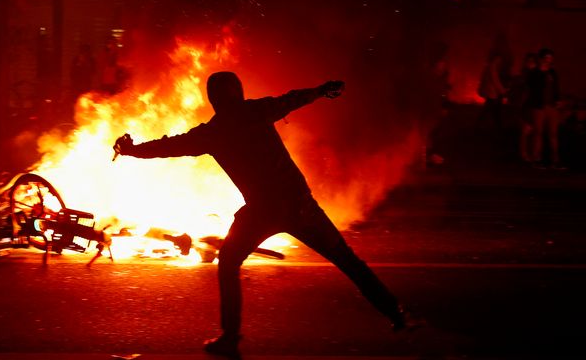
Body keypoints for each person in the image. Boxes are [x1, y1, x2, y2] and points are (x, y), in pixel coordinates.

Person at [113, 71, 420, 357]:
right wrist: (321, 90)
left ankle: (230, 339)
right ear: (238, 92)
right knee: (346, 259)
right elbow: (292, 99)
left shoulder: (213, 132)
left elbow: (169, 146)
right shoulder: (256, 111)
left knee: (230, 263)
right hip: (299, 204)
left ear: (213, 98)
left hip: (262, 209)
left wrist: (131, 149)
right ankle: (397, 314)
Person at [525, 48, 563, 169]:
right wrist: (538, 71)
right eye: (547, 58)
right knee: (538, 133)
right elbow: (532, 88)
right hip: (539, 107)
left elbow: (556, 88)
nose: (549, 61)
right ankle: (536, 159)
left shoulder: (552, 73)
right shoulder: (535, 73)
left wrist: (558, 100)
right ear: (541, 59)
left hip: (551, 107)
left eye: (551, 58)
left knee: (553, 134)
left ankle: (555, 161)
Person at [507, 53, 537, 163]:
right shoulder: (522, 77)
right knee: (525, 131)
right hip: (524, 107)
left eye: (533, 62)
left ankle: (532, 154)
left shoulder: (537, 76)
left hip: (533, 107)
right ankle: (524, 154)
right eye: (529, 62)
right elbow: (517, 93)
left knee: (533, 131)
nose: (531, 64)